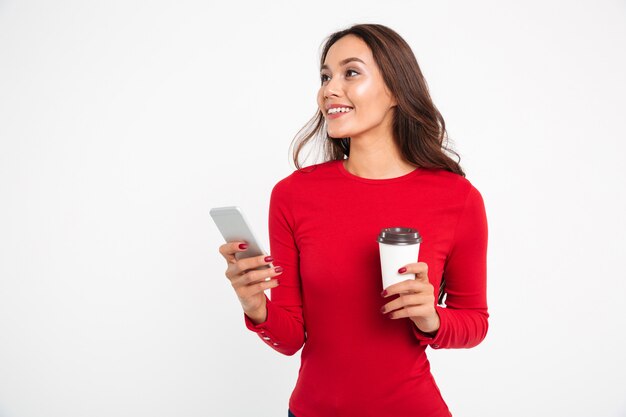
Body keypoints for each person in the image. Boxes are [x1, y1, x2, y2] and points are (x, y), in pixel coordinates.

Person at [218, 23, 489, 417]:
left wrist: (431, 318)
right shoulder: (294, 195)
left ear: (396, 89)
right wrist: (255, 305)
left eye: (351, 72)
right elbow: (291, 336)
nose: (329, 89)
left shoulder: (457, 199)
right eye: (325, 76)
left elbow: (474, 323)